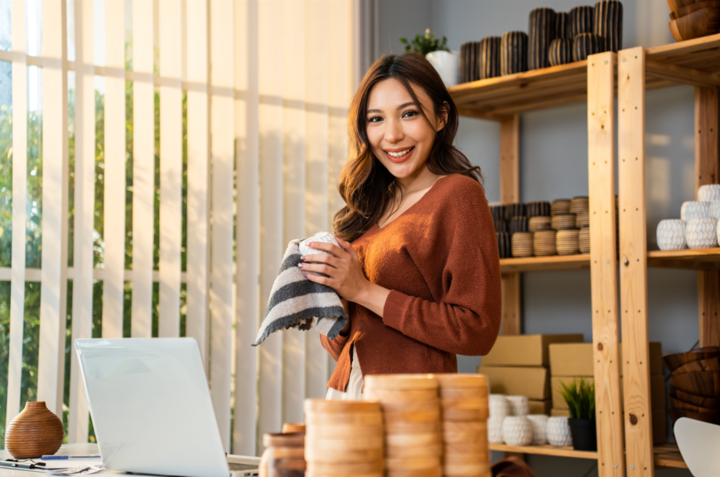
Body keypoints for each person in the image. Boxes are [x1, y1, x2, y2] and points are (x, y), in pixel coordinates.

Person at [298, 52, 502, 399]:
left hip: (412, 406)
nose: (391, 135)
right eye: (376, 119)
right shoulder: (368, 208)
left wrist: (363, 290)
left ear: (440, 117)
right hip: (349, 394)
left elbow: (477, 330)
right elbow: (345, 346)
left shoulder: (458, 196)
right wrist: (335, 303)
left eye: (408, 114)